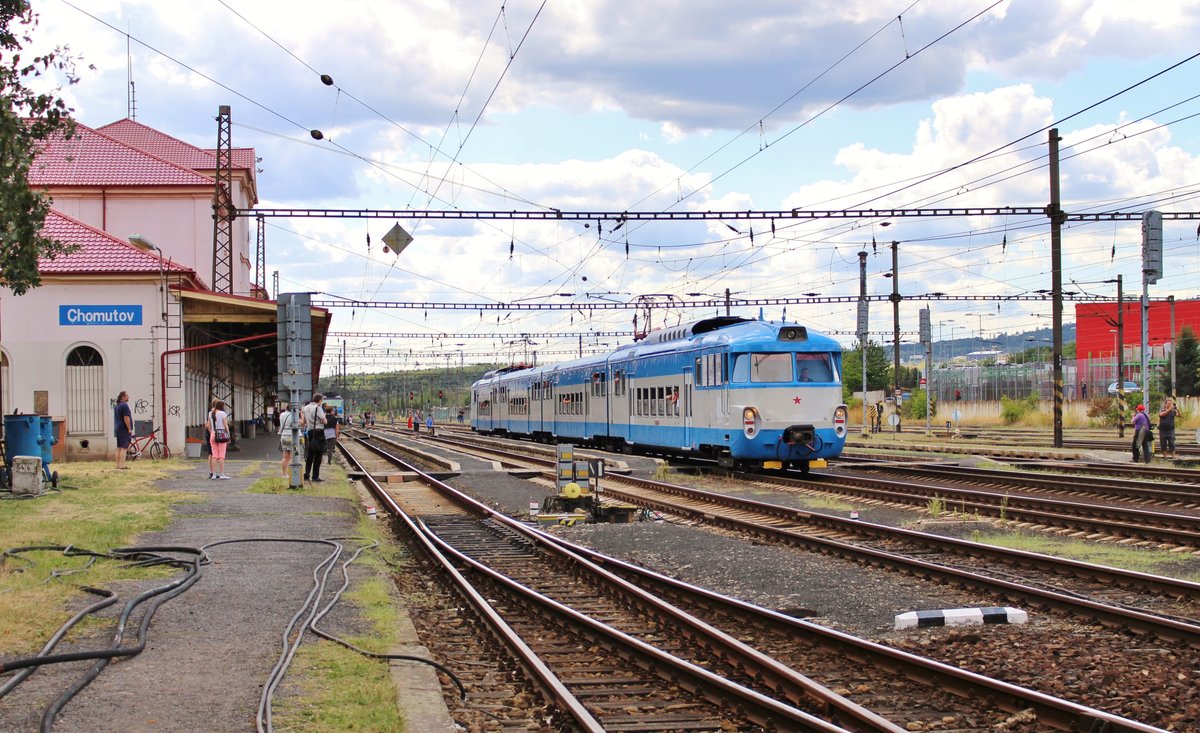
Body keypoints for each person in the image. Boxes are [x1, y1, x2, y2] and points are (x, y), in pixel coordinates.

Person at [300, 393, 326, 483]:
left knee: (310, 455)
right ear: (320, 400)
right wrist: (323, 420)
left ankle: (306, 475)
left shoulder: (306, 408)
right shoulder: (318, 408)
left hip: (310, 432)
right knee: (318, 455)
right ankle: (315, 477)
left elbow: (303, 421)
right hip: (319, 433)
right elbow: (325, 421)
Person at [207, 398, 231, 479]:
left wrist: (212, 433)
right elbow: (225, 425)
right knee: (221, 456)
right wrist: (228, 435)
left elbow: (209, 426)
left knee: (214, 455)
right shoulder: (222, 413)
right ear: (221, 406)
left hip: (213, 435)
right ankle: (222, 474)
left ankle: (213, 474)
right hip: (221, 435)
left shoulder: (210, 414)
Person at [278, 404, 298, 479]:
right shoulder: (294, 415)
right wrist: (301, 414)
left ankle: (284, 474)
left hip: (284, 436)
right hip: (293, 437)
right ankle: (293, 473)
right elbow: (301, 423)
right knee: (295, 454)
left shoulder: (282, 414)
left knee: (285, 456)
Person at [113, 391, 133, 469]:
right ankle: (122, 465)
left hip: (117, 428)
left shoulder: (117, 406)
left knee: (119, 447)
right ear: (123, 397)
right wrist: (129, 428)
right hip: (124, 429)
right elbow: (126, 417)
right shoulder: (125, 405)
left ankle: (118, 465)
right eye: (127, 395)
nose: (128, 397)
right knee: (124, 448)